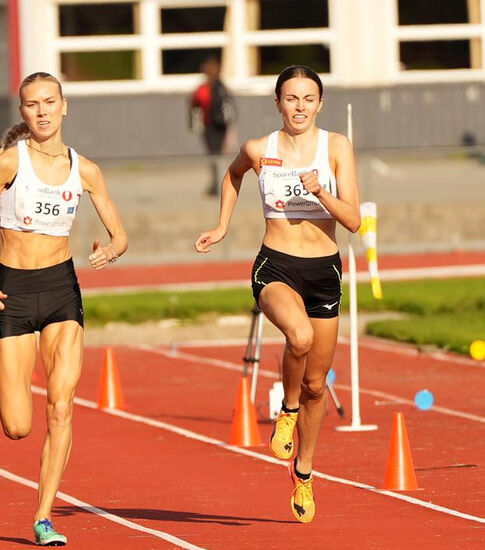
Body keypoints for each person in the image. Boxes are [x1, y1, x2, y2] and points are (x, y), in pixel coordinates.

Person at [0, 71, 127, 546]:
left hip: (61, 290)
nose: (42, 111)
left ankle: (44, 516)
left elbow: (121, 235)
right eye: (32, 104)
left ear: (64, 106)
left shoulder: (86, 169)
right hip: (11, 292)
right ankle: (38, 491)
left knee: (61, 406)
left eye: (49, 102)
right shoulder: (6, 164)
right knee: (17, 426)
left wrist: (110, 250)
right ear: (23, 113)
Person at [194, 65, 360, 524]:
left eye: (309, 98)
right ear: (278, 103)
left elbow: (353, 221)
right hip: (277, 264)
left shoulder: (337, 147)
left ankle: (303, 474)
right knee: (299, 337)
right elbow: (232, 176)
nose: (300, 106)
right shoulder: (259, 148)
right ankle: (285, 410)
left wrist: (322, 193)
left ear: (320, 103)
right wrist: (223, 225)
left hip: (324, 269)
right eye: (291, 98)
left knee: (316, 384)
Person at [189, 57, 235, 195]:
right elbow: (195, 107)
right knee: (213, 155)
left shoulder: (221, 88)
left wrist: (227, 122)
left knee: (218, 155)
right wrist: (196, 125)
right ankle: (216, 183)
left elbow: (228, 107)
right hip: (208, 126)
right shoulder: (202, 89)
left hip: (220, 126)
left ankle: (220, 184)